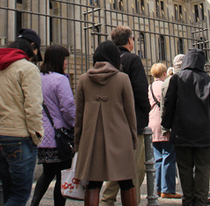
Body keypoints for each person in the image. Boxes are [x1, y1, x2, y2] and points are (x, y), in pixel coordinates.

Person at [74, 41, 138, 206]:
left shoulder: (83, 80)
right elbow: (130, 113)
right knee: (126, 182)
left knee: (93, 182)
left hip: (92, 138)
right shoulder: (123, 79)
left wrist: (78, 142)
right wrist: (133, 138)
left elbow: (79, 116)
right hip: (120, 137)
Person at [0, 29, 44, 205]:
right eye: (37, 50)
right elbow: (33, 106)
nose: (36, 54)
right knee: (20, 195)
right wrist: (37, 135)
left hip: (1, 136)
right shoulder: (28, 68)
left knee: (9, 194)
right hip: (20, 137)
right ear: (31, 47)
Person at [162, 48, 210, 206]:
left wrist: (166, 126)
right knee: (203, 169)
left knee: (184, 169)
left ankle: (187, 200)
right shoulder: (208, 79)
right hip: (204, 132)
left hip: (182, 131)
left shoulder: (176, 78)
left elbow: (168, 105)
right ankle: (200, 201)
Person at [101, 26, 150, 206]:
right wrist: (146, 110)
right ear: (129, 41)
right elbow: (140, 90)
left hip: (111, 121)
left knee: (117, 165)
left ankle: (106, 201)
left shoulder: (107, 61)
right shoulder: (133, 59)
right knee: (136, 168)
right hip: (131, 122)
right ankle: (132, 202)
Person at [31, 45, 75, 206]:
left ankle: (34, 203)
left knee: (47, 173)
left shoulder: (38, 77)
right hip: (59, 136)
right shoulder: (60, 79)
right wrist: (75, 124)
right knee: (62, 175)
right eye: (64, 59)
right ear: (58, 60)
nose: (66, 63)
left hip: (43, 136)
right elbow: (68, 107)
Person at [148, 63, 180, 199]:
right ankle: (167, 189)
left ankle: (158, 188)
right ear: (164, 73)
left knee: (158, 158)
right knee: (168, 156)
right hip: (163, 123)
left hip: (151, 124)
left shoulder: (149, 87)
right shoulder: (165, 85)